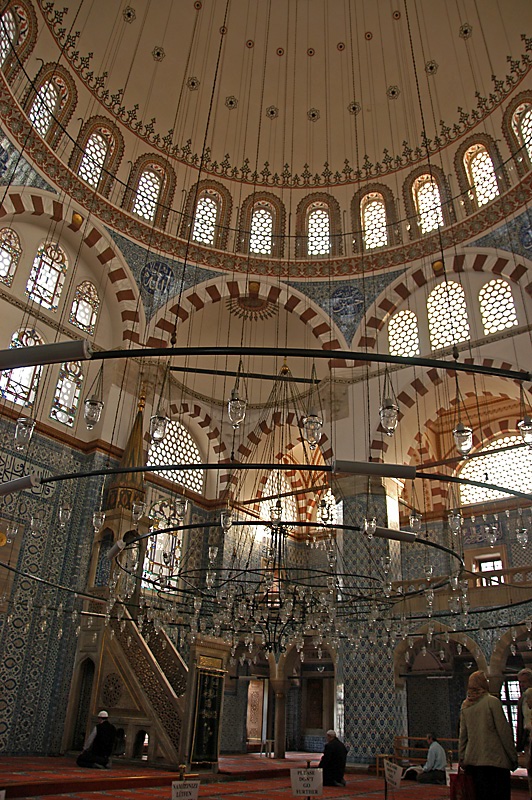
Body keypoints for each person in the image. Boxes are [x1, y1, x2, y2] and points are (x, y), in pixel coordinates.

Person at [459, 670, 517, 800]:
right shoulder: (492, 702)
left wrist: (462, 757)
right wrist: (513, 757)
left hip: (473, 763)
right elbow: (504, 732)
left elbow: (463, 735)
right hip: (495, 762)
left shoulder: (465, 705)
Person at [517, 668, 532, 798]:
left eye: (524, 682)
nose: (522, 685)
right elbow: (521, 722)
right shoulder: (522, 700)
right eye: (520, 682)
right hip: (528, 741)